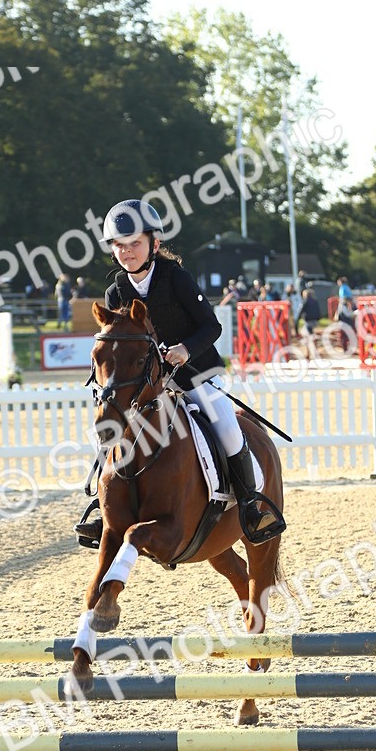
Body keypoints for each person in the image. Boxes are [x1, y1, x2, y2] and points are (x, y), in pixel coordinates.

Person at [74, 198, 285, 546]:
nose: (127, 252)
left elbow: (211, 327)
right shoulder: (116, 292)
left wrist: (185, 350)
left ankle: (250, 504)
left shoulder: (177, 278)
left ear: (153, 245)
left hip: (196, 374)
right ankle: (105, 506)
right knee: (110, 430)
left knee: (227, 427)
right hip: (147, 387)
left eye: (135, 244)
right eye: (120, 246)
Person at [294, 285, 321, 358]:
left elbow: (301, 311)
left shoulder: (305, 301)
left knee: (307, 336)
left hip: (308, 321)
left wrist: (297, 320)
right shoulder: (315, 301)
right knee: (311, 336)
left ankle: (308, 353)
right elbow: (318, 311)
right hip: (315, 321)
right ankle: (313, 351)